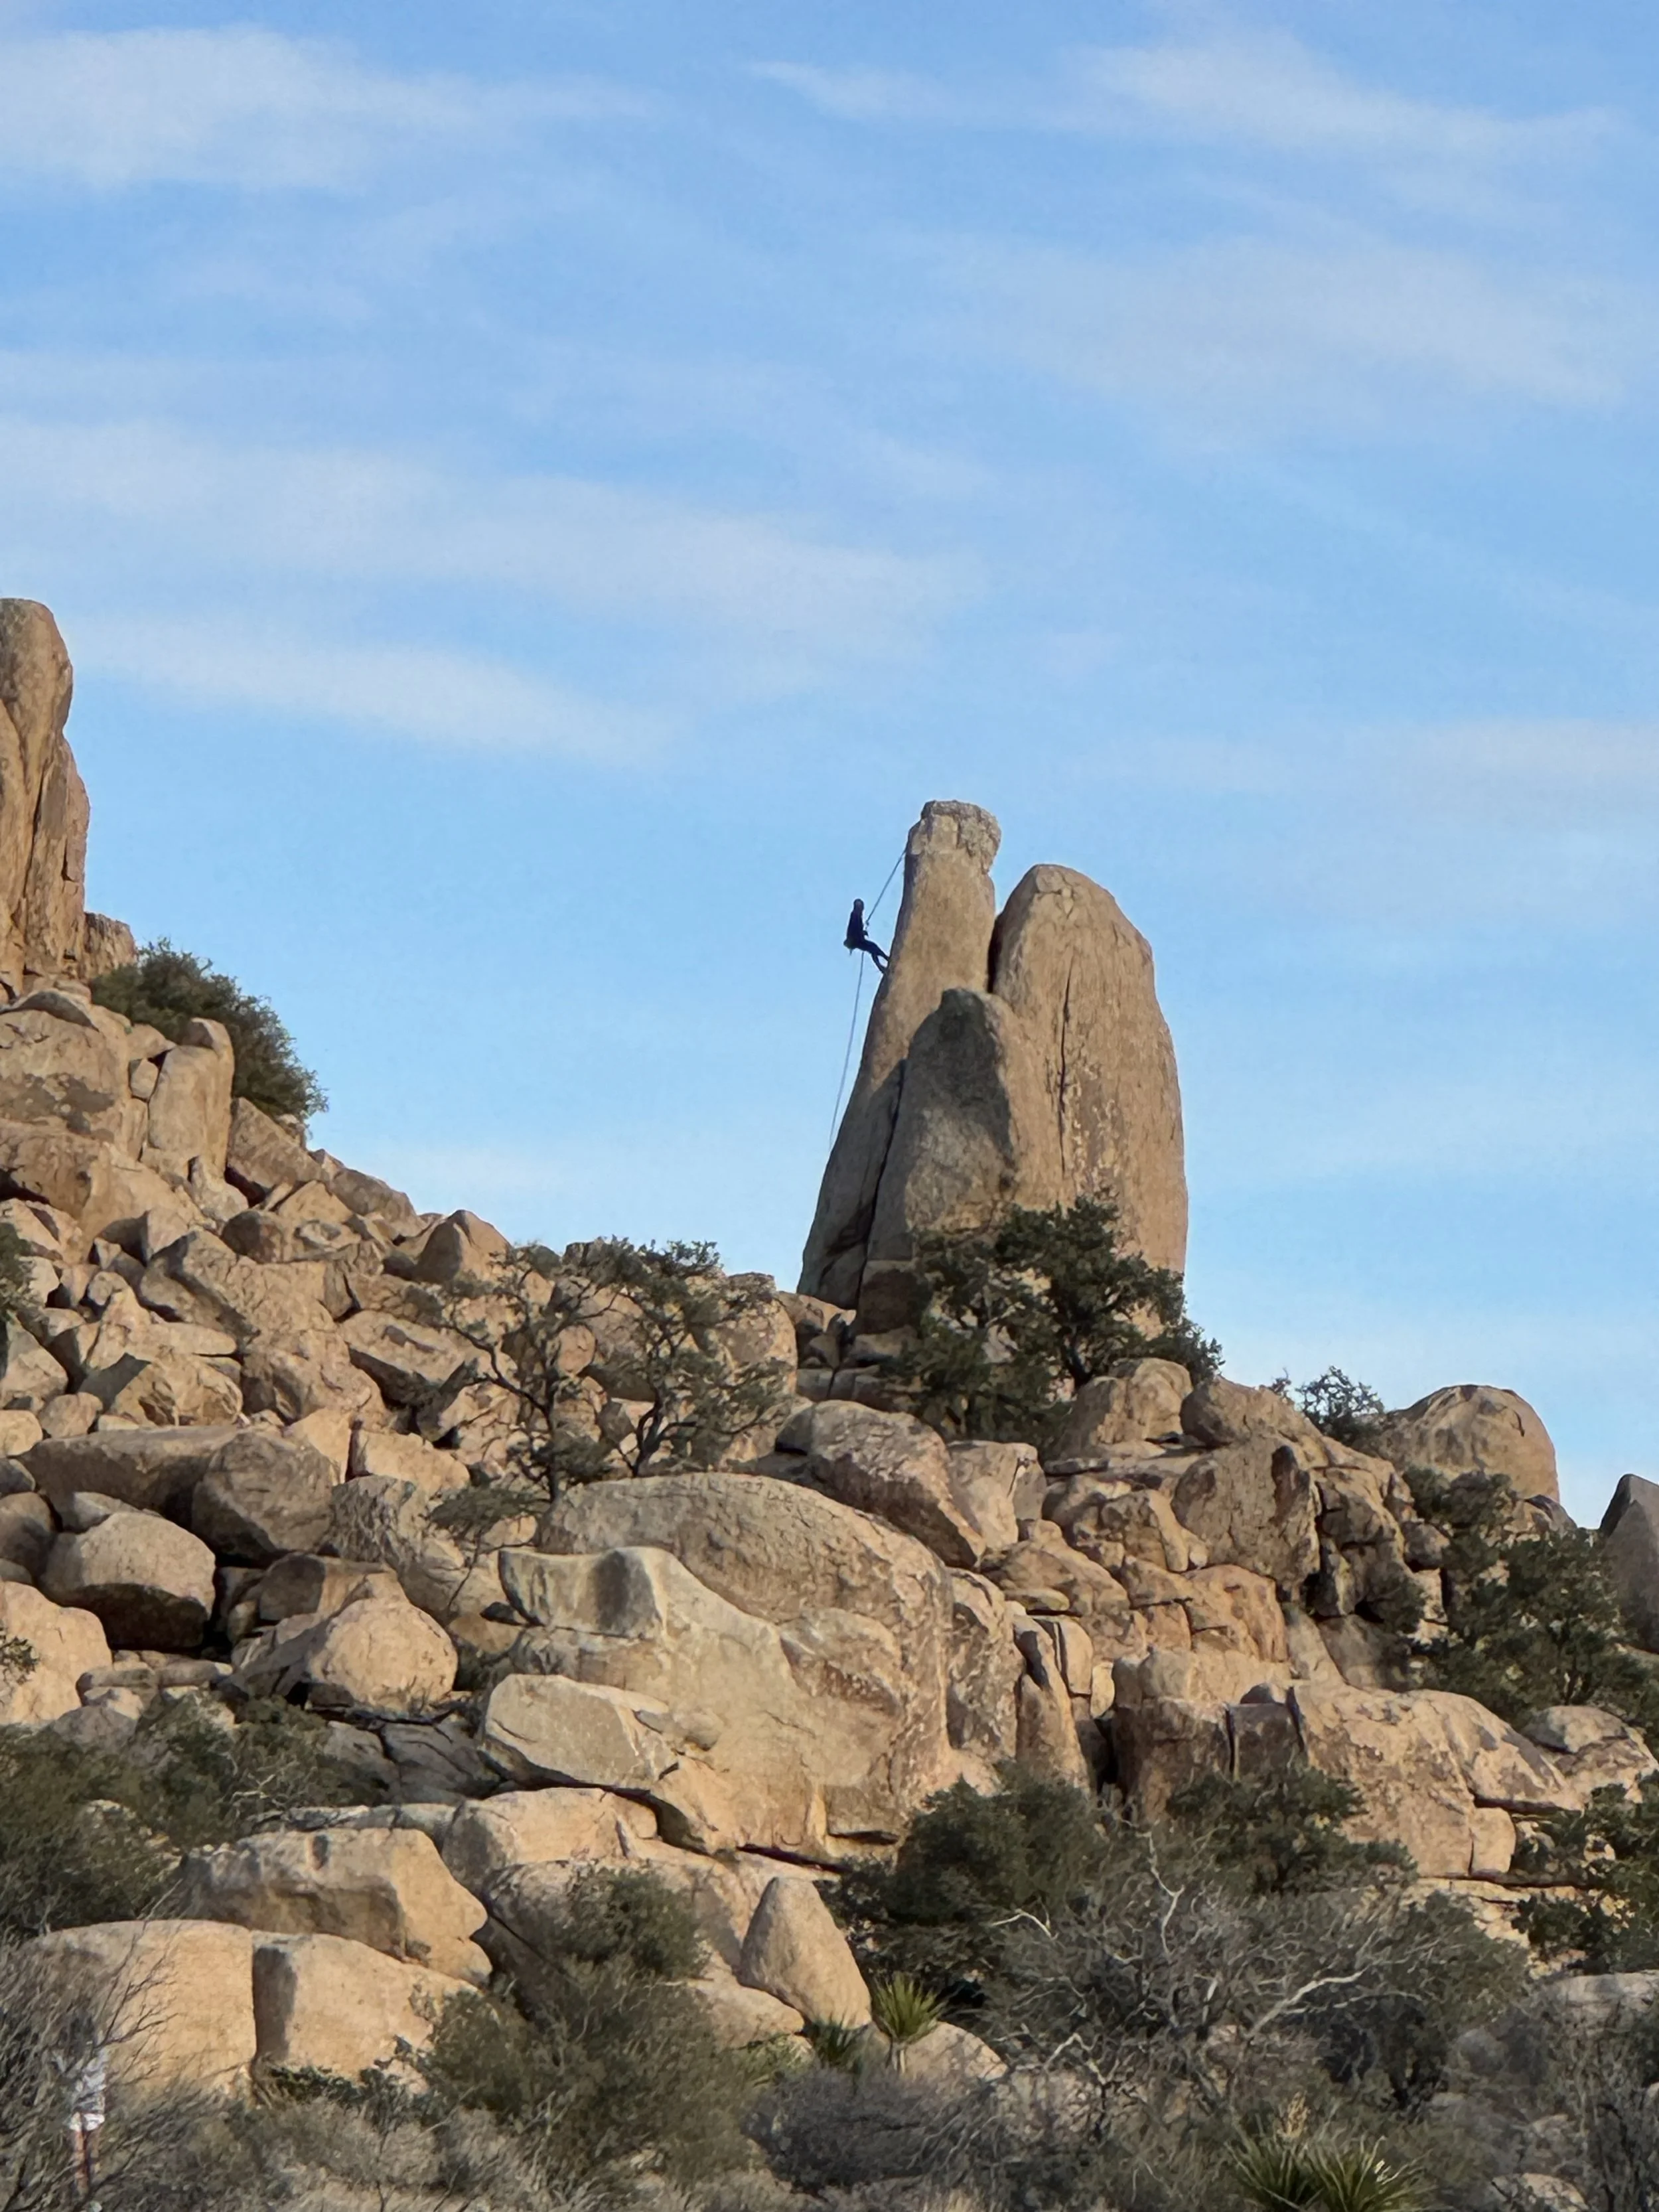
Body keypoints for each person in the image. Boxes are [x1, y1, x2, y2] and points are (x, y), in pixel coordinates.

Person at [843, 899, 889, 972]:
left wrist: (862, 932)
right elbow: (854, 929)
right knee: (873, 948)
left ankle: (883, 962)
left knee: (873, 948)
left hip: (857, 940)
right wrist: (862, 933)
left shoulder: (857, 915)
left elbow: (856, 929)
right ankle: (883, 963)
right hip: (856, 941)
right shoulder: (855, 915)